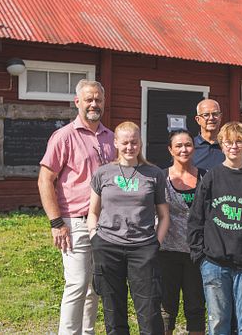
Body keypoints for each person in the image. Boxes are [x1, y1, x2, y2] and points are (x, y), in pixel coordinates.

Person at [38, 79, 115, 335]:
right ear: (77, 102)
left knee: (94, 285)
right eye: (89, 99)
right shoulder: (64, 136)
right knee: (77, 283)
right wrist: (56, 223)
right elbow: (45, 179)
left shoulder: (111, 138)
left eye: (98, 100)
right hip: (74, 222)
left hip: (105, 224)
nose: (94, 104)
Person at [188, 121, 242, 335]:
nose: (233, 146)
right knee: (218, 322)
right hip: (214, 263)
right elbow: (196, 217)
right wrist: (200, 256)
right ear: (221, 145)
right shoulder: (212, 177)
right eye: (228, 142)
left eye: (239, 142)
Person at [86, 121, 170, 335]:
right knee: (113, 310)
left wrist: (155, 244)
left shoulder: (154, 174)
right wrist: (95, 237)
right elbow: (93, 212)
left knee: (150, 310)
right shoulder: (103, 173)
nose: (130, 147)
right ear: (115, 143)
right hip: (108, 247)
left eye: (134, 142)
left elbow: (164, 216)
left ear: (140, 143)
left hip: (143, 249)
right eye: (125, 142)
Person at [159, 130, 206, 335]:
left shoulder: (205, 176)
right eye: (178, 145)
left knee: (195, 306)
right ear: (170, 149)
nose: (183, 149)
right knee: (166, 307)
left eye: (187, 145)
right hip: (166, 251)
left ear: (194, 148)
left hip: (197, 252)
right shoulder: (160, 177)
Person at [193, 99, 225, 171]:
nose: (211, 118)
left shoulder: (230, 146)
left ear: (220, 117)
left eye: (215, 114)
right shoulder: (190, 147)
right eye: (206, 115)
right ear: (198, 120)